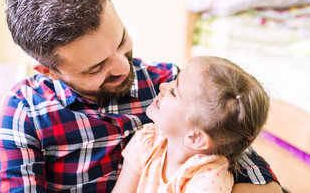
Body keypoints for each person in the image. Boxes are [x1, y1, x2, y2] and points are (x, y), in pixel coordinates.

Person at [0, 0, 282, 193]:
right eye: (96, 68)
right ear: (49, 71)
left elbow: (232, 146)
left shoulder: (166, 81)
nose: (121, 68)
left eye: (121, 42)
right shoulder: (26, 112)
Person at [113, 56, 270, 193]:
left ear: (195, 138)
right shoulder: (146, 141)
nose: (162, 86)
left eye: (174, 92)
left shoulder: (209, 177)